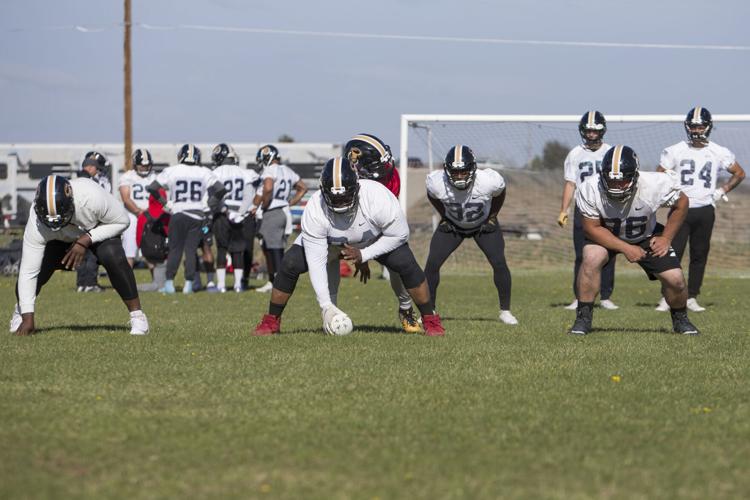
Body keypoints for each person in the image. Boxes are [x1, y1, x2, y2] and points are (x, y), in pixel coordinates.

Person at [253, 157, 446, 337]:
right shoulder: (315, 208)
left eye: (345, 196)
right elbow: (317, 262)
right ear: (323, 190)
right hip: (329, 243)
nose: (340, 202)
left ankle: (430, 319)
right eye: (334, 198)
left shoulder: (377, 196)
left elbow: (399, 235)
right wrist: (326, 306)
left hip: (371, 240)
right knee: (290, 262)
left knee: (405, 262)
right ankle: (271, 321)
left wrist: (364, 254)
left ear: (357, 186)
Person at [570, 145, 698, 336]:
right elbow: (591, 228)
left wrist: (666, 238)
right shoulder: (589, 187)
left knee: (676, 280)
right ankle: (583, 318)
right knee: (591, 258)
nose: (616, 186)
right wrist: (626, 248)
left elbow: (682, 203)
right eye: (611, 180)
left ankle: (680, 319)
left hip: (646, 234)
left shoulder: (654, 183)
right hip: (606, 234)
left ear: (634, 175)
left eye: (622, 181)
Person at [9, 175, 149, 336]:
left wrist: (85, 240)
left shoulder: (91, 196)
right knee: (37, 269)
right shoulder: (36, 221)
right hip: (60, 240)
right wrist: (28, 317)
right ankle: (21, 311)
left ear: (72, 202)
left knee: (112, 255)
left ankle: (138, 316)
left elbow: (122, 221)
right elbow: (28, 272)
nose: (56, 224)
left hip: (96, 231)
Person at [654, 106, 746, 312]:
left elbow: (739, 173)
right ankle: (666, 296)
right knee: (672, 253)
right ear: (688, 127)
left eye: (700, 126)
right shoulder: (675, 150)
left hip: (705, 208)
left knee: (699, 253)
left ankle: (692, 296)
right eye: (693, 126)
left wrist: (721, 190)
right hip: (680, 210)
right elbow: (659, 175)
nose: (696, 130)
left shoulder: (718, 151)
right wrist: (668, 193)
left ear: (708, 126)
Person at [424, 145, 518, 325]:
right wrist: (444, 216)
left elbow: (500, 192)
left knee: (499, 262)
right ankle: (429, 311)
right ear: (447, 170)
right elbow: (432, 196)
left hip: (483, 224)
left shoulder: (488, 181)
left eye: (463, 171)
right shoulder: (437, 183)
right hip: (453, 225)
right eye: (455, 172)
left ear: (473, 169)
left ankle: (505, 311)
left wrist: (492, 216)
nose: (459, 176)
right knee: (432, 264)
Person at [344, 133, 421, 333]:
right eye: (376, 165)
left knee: (397, 266)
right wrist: (359, 252)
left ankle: (406, 309)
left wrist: (365, 254)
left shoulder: (391, 177)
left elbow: (382, 221)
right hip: (345, 228)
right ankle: (330, 310)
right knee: (325, 258)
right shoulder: (342, 180)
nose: (384, 169)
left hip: (378, 227)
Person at [146, 144, 226, 294]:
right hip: (196, 215)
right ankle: (188, 284)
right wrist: (209, 205)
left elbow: (152, 188)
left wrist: (165, 203)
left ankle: (169, 283)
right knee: (190, 251)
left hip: (178, 213)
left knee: (175, 250)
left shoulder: (172, 171)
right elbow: (221, 189)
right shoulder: (203, 172)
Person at [558, 111, 618, 310]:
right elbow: (570, 183)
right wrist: (564, 210)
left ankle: (606, 296)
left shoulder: (611, 152)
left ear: (602, 131)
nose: (591, 135)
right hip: (583, 208)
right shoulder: (575, 153)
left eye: (595, 131)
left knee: (609, 252)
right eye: (588, 131)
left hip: (607, 208)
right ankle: (579, 297)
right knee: (581, 254)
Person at [254, 144, 308, 293]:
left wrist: (264, 204)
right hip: (283, 211)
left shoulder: (270, 170)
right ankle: (272, 281)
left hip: (273, 211)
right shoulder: (287, 170)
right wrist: (291, 202)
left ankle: (278, 282)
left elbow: (269, 187)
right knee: (269, 246)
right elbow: (303, 187)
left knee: (274, 248)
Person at [210, 143, 260, 292]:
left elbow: (213, 197)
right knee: (238, 249)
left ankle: (221, 285)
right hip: (240, 215)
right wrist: (240, 213)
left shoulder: (215, 173)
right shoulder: (246, 173)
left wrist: (223, 209)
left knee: (221, 248)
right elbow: (250, 195)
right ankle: (238, 284)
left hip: (222, 214)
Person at [76, 151, 112, 292]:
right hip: (93, 220)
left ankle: (81, 284)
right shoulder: (100, 182)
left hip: (80, 220)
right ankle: (90, 283)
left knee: (81, 252)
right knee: (92, 253)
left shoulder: (77, 180)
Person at [118, 148, 156, 268]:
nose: (144, 168)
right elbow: (126, 199)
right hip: (133, 216)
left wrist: (151, 213)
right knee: (129, 250)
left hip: (150, 216)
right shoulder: (127, 177)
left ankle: (157, 282)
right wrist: (139, 212)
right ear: (135, 164)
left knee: (151, 250)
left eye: (146, 166)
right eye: (142, 166)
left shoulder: (155, 177)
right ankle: (126, 282)